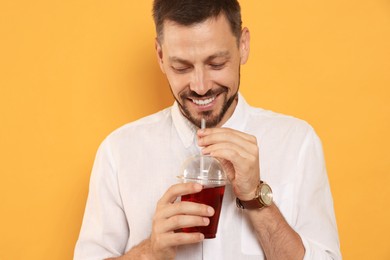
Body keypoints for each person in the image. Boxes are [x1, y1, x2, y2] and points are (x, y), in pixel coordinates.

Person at [74, 0, 341, 259]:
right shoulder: (118, 151)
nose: (200, 86)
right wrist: (150, 253)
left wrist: (256, 199)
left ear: (243, 45)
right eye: (182, 67)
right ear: (160, 56)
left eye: (216, 64)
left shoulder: (297, 142)